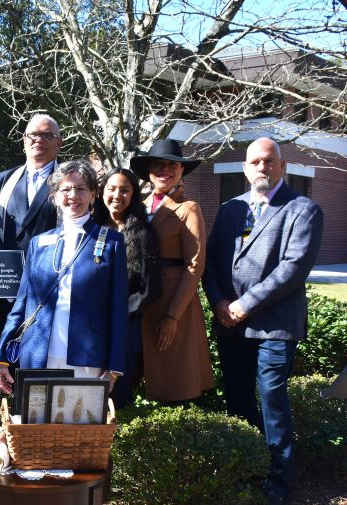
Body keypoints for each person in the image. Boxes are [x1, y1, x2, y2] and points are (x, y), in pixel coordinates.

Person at [202, 138, 323, 504]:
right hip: (230, 322)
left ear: (282, 167)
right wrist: (220, 302)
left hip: (273, 324)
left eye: (269, 161)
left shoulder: (303, 210)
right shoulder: (229, 209)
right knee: (238, 397)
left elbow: (293, 269)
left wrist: (245, 304)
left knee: (271, 398)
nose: (262, 167)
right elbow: (210, 263)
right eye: (254, 161)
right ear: (244, 168)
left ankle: (279, 480)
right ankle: (247, 465)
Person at [0, 160, 128, 399]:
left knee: (81, 429)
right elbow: (22, 304)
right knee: (36, 429)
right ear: (54, 195)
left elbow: (118, 310)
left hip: (88, 355)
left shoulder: (112, 243)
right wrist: (1, 356)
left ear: (93, 195)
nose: (73, 195)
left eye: (81, 189)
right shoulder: (39, 242)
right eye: (65, 189)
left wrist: (114, 366)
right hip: (38, 351)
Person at [130, 139, 214, 403]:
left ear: (181, 171)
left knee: (173, 381)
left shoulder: (188, 208)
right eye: (159, 164)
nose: (165, 170)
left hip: (171, 300)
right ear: (149, 170)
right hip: (138, 300)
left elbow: (195, 264)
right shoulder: (137, 206)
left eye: (172, 165)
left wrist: (172, 316)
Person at [0, 114, 61, 328]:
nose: (38, 139)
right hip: (11, 289)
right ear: (24, 140)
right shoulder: (1, 181)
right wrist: (8, 269)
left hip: (55, 284)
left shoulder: (72, 181)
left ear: (60, 142)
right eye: (32, 134)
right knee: (11, 354)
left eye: (46, 135)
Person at [93, 168, 161, 408]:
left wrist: (120, 313)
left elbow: (149, 288)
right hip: (92, 323)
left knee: (118, 393)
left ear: (133, 195)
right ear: (101, 192)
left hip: (126, 325)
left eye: (125, 190)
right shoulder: (91, 229)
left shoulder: (142, 233)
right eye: (111, 189)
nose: (117, 195)